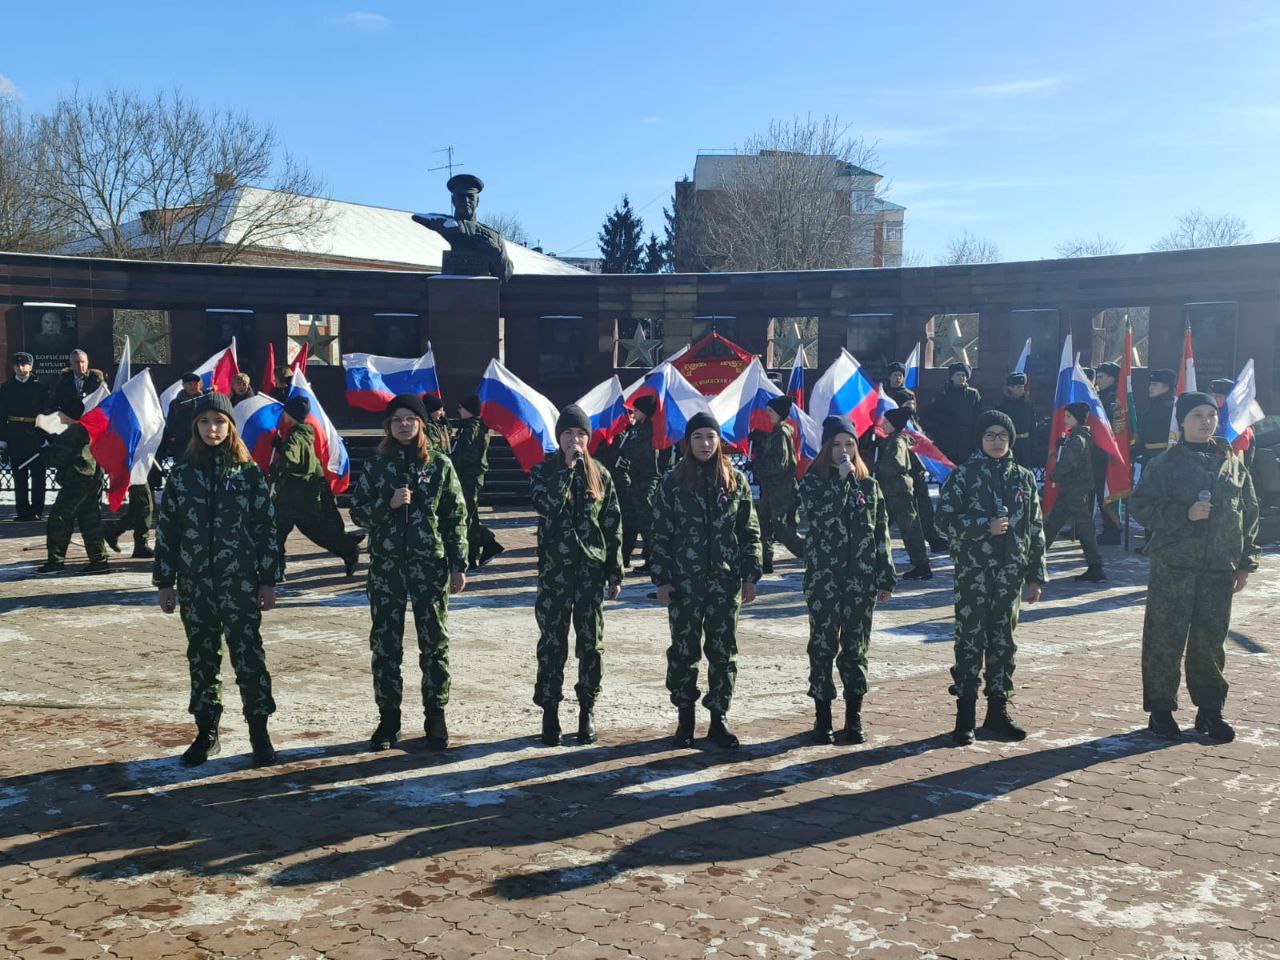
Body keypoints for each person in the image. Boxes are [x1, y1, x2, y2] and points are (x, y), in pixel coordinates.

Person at [153, 393, 280, 767]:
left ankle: (259, 731)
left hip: (240, 584)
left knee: (249, 656)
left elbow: (265, 530)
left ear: (231, 426)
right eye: (206, 422)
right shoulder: (182, 475)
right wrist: (165, 582)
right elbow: (168, 531)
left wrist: (268, 580)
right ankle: (207, 732)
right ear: (196, 426)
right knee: (202, 657)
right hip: (195, 585)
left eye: (220, 422)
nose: (213, 429)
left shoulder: (249, 473)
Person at [1129, 391, 1260, 743]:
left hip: (1219, 567)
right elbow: (1140, 506)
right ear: (1183, 422)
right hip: (1175, 566)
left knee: (1209, 642)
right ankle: (1160, 711)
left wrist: (1245, 562)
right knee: (1165, 640)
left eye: (1211, 415)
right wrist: (1182, 515)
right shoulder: (1166, 464)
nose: (1206, 421)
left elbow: (1248, 512)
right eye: (1197, 416)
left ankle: (1210, 710)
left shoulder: (1231, 462)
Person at [349, 394, 468, 752]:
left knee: (434, 644)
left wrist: (458, 564)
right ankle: (389, 718)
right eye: (397, 419)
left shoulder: (440, 465)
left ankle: (436, 714)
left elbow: (456, 516)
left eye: (410, 419)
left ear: (421, 424)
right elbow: (357, 513)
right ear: (388, 425)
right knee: (386, 646)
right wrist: (388, 504)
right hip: (387, 568)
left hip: (428, 567)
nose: (404, 424)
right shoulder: (376, 466)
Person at [651, 411, 762, 749]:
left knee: (723, 653)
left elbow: (749, 531)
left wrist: (751, 575)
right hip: (685, 584)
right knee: (684, 652)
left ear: (719, 441)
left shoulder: (734, 482)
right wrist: (662, 580)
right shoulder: (672, 482)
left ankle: (719, 718)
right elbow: (659, 535)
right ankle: (685, 718)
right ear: (688, 443)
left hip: (724, 584)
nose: (705, 443)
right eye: (698, 437)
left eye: (710, 437)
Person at [936, 410, 1046, 746]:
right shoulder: (964, 475)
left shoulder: (1024, 478)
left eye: (1002, 435)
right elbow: (943, 520)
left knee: (1004, 643)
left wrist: (1035, 575)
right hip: (974, 574)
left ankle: (997, 712)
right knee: (970, 641)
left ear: (1011, 440)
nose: (996, 442)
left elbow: (1035, 527)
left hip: (1010, 575)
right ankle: (965, 716)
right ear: (980, 440)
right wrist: (983, 526)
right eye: (990, 436)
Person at [529, 405, 624, 747]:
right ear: (559, 438)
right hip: (556, 573)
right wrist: (567, 472)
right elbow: (546, 505)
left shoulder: (601, 474)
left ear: (589, 437)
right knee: (552, 645)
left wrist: (615, 570)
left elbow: (612, 526)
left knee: (591, 645)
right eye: (568, 434)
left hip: (590, 574)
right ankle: (550, 711)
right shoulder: (544, 472)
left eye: (580, 434)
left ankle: (587, 709)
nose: (575, 440)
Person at [798, 415, 896, 745]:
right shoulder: (813, 481)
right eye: (837, 445)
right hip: (824, 579)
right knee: (823, 647)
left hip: (861, 580)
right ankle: (822, 718)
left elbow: (880, 531)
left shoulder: (868, 485)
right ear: (827, 448)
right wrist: (840, 482)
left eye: (849, 444)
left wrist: (886, 574)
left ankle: (853, 717)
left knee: (855, 649)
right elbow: (819, 518)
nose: (844, 451)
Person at [271, 395, 361, 579]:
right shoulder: (305, 432)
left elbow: (291, 459)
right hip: (298, 494)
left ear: (290, 414)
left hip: (296, 496)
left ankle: (349, 549)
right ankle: (276, 570)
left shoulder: (295, 436)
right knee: (277, 532)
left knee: (312, 531)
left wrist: (277, 463)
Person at [37, 413, 110, 575]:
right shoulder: (87, 428)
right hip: (90, 478)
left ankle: (55, 561)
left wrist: (46, 452)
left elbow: (60, 457)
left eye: (61, 412)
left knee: (59, 519)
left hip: (75, 481)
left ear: (68, 415)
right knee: (89, 520)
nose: (59, 415)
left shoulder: (74, 431)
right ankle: (99, 561)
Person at [1042, 402, 1105, 582]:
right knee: (1053, 524)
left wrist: (1054, 475)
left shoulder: (1078, 439)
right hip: (1073, 489)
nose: (1064, 419)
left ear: (1078, 419)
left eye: (1068, 416)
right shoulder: (1079, 437)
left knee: (1081, 527)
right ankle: (1033, 561)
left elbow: (1069, 463)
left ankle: (1095, 566)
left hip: (1074, 490)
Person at [749, 395, 806, 574]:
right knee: (763, 524)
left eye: (771, 412)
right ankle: (765, 561)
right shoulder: (776, 433)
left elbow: (779, 464)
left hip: (782, 490)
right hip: (770, 488)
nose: (768, 414)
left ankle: (809, 553)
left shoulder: (782, 433)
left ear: (780, 413)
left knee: (782, 528)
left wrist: (757, 465)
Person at [876, 407, 932, 580]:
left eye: (886, 422)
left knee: (909, 528)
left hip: (898, 492)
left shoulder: (897, 442)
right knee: (880, 526)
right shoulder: (893, 440)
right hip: (893, 491)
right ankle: (876, 562)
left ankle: (922, 566)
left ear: (894, 425)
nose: (883, 425)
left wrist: (876, 466)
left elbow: (896, 464)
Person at [453, 394, 504, 569]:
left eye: (462, 407)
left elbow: (467, 455)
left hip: (468, 478)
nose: (458, 410)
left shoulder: (472, 429)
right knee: (470, 515)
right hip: (468, 477)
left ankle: (473, 553)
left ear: (470, 410)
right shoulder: (469, 426)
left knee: (466, 517)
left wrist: (449, 460)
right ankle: (488, 543)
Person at [615, 396, 661, 571]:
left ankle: (652, 561)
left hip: (647, 481)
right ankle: (624, 557)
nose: (633, 412)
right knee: (630, 520)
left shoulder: (651, 431)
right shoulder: (636, 429)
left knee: (648, 523)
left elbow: (645, 457)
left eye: (636, 410)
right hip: (634, 481)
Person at [0, 352, 46, 521]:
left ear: (31, 366)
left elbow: (46, 413)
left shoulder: (41, 388)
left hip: (35, 435)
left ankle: (36, 510)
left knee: (38, 476)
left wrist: (45, 437)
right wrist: (3, 441)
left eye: (24, 364)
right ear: (13, 367)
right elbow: (2, 415)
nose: (20, 367)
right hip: (15, 436)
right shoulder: (5, 388)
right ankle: (22, 511)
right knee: (19, 476)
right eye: (17, 364)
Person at [925, 362, 983, 465]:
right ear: (952, 377)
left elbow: (978, 416)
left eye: (964, 375)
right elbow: (932, 415)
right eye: (958, 375)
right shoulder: (942, 394)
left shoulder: (973, 394)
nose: (961, 377)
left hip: (966, 440)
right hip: (946, 439)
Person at [1092, 362, 1123, 545]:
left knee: (1107, 494)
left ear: (1112, 379)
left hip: (1106, 455)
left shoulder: (1112, 400)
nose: (1098, 380)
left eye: (1101, 377)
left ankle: (1112, 531)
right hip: (1097, 452)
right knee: (1098, 492)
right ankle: (1108, 528)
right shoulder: (1100, 396)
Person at [47, 350, 105, 419]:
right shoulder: (62, 381)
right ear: (71, 364)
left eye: (82, 362)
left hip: (91, 422)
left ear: (87, 363)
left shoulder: (96, 381)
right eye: (76, 362)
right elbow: (54, 402)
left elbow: (104, 401)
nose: (80, 365)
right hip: (69, 422)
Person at [103, 483, 154, 559]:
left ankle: (113, 530)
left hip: (137, 477)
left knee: (138, 509)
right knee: (144, 508)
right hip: (138, 477)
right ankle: (140, 546)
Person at [160, 374, 204, 460]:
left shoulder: (205, 400)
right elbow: (171, 423)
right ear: (184, 385)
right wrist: (174, 438)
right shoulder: (175, 403)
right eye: (190, 384)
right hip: (182, 444)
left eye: (196, 384)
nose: (193, 386)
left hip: (201, 441)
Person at [997, 373, 1036, 470]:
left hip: (1025, 444)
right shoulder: (1002, 406)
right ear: (1010, 388)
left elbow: (1032, 425)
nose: (1021, 389)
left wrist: (1033, 443)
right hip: (1010, 444)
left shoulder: (1028, 404)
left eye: (1022, 387)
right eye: (1018, 387)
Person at [421, 393, 453, 459]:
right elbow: (435, 448)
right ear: (432, 411)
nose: (442, 413)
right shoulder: (429, 427)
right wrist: (447, 456)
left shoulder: (437, 424)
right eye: (439, 410)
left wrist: (447, 425)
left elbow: (447, 437)